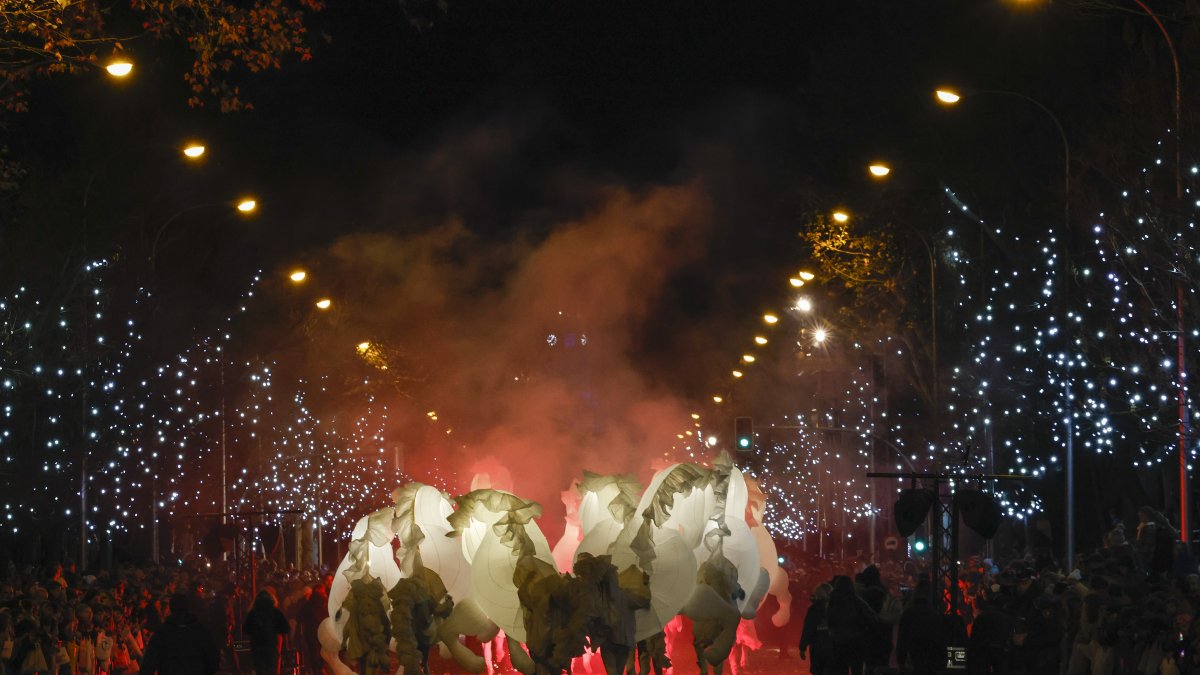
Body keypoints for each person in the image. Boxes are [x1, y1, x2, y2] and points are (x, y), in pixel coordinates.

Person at [140, 594, 220, 675]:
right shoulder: (200, 630)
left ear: (171, 608)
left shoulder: (162, 632)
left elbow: (149, 663)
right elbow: (213, 659)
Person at [826, 575, 878, 675]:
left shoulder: (833, 602)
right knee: (857, 669)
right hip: (856, 641)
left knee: (840, 669)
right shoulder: (858, 602)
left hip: (838, 642)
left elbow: (829, 621)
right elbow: (872, 618)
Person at [243, 590, 290, 675]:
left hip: (257, 647)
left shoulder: (253, 614)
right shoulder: (276, 612)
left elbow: (246, 629)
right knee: (271, 669)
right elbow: (286, 628)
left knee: (260, 670)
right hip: (271, 645)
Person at [799, 583, 832, 675]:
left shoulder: (813, 609)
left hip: (817, 646)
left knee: (818, 670)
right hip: (831, 646)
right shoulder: (835, 607)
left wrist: (802, 647)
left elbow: (807, 629)